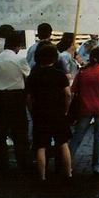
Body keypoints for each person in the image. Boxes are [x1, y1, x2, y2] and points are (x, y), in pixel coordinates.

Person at [26, 41, 73, 184]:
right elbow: (68, 94)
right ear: (54, 58)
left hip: (40, 113)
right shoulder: (60, 75)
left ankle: (42, 177)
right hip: (58, 112)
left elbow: (28, 97)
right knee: (63, 143)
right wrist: (65, 109)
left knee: (41, 146)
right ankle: (68, 173)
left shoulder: (33, 76)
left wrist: (32, 111)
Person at [68, 45, 99, 176]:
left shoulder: (82, 71)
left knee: (77, 136)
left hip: (85, 107)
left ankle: (66, 162)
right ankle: (97, 166)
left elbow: (73, 91)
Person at [0, 30, 30, 171]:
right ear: (18, 46)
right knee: (19, 132)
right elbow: (28, 76)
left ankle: (1, 162)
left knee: (0, 131)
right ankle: (23, 161)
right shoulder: (19, 60)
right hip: (15, 97)